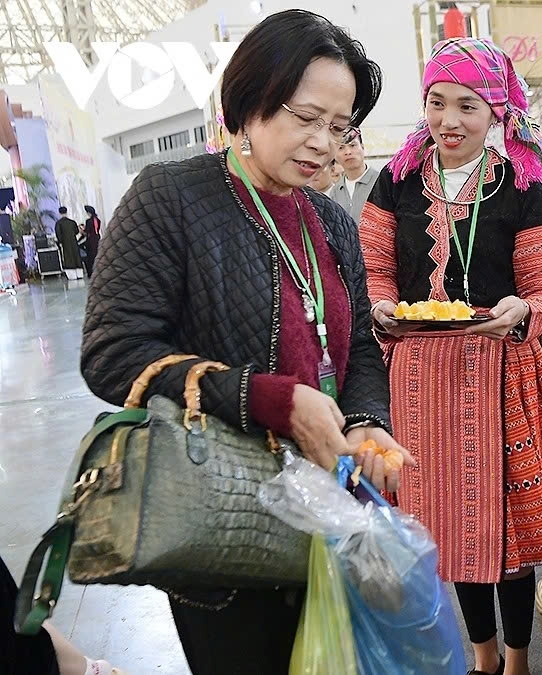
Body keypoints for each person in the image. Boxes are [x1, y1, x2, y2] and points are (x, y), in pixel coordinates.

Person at [79, 10, 411, 674]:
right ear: (251, 100)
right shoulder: (170, 198)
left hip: (327, 507)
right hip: (225, 520)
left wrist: (369, 420)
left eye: (339, 126)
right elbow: (113, 351)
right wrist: (271, 400)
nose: (324, 141)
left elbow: (361, 352)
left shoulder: (329, 222)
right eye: (306, 116)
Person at [361, 37, 542, 675]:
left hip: (500, 376)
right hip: (419, 383)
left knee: (504, 533)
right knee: (449, 526)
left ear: (496, 113)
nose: (450, 121)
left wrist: (523, 311)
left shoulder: (523, 187)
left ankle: (517, 658)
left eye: (468, 106)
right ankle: (480, 657)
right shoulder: (393, 181)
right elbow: (372, 270)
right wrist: (380, 305)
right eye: (436, 102)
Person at [331, 132, 379, 223]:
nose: (348, 152)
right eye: (341, 148)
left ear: (363, 147)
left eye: (353, 145)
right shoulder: (336, 191)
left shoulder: (381, 182)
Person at [54, 207, 83, 275]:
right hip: (74, 242)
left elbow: (58, 234)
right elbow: (76, 231)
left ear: (59, 213)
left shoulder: (59, 223)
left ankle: (71, 274)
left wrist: (60, 242)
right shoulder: (72, 222)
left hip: (65, 243)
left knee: (68, 257)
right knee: (76, 256)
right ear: (66, 212)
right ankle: (79, 273)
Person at [82, 205, 101, 276]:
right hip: (97, 238)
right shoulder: (98, 220)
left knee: (90, 256)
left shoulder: (88, 221)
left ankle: (91, 272)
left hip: (90, 240)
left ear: (88, 213)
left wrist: (82, 231)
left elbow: (87, 232)